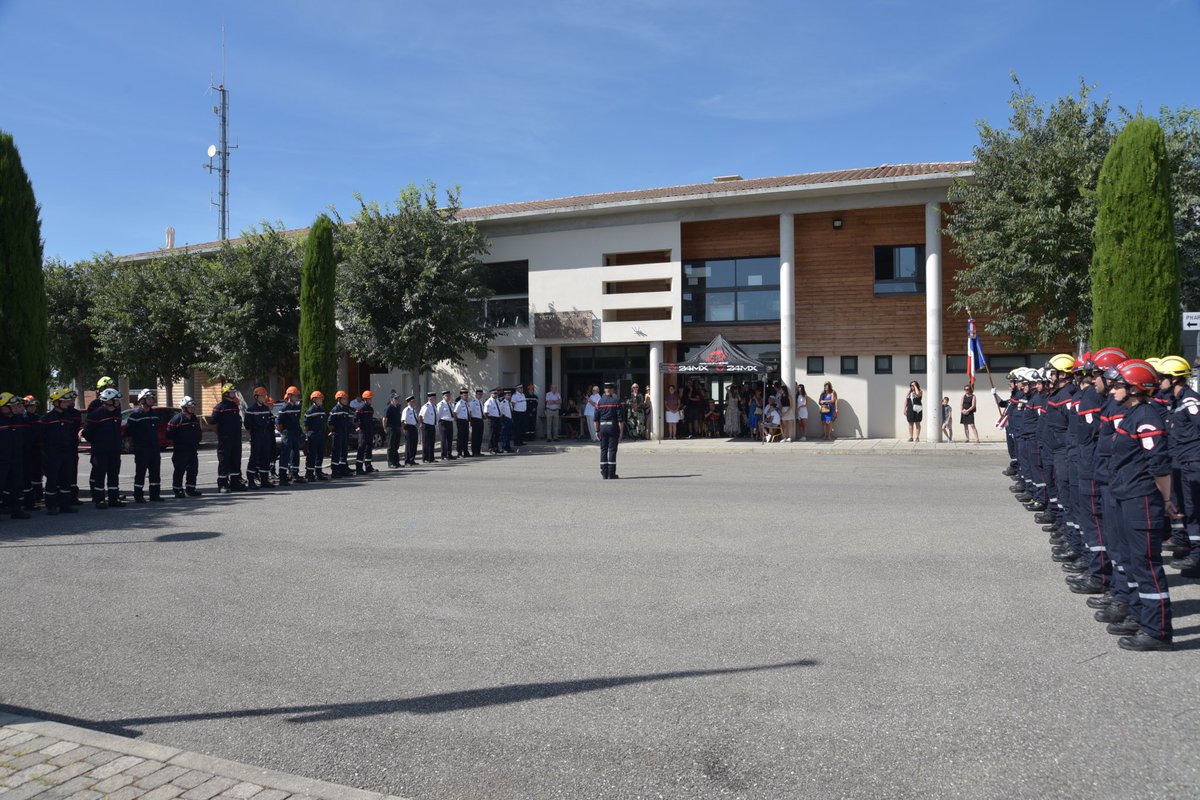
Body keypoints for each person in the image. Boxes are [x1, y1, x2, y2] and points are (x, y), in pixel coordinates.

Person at [1105, 359, 1175, 651]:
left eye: (1118, 385)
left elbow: (1158, 465)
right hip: (1125, 496)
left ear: (1135, 387)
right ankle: (1138, 615)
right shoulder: (1132, 413)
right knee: (1133, 562)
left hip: (1141, 499)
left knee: (1147, 565)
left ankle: (1157, 632)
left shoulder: (1147, 417)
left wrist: (1169, 501)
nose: (1112, 389)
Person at [39, 389, 79, 515]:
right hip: (52, 455)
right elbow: (40, 438)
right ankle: (51, 506)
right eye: (65, 401)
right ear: (57, 403)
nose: (68, 403)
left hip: (67, 454)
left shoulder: (69, 418)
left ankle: (65, 505)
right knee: (52, 480)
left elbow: (72, 436)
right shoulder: (47, 419)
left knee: (66, 480)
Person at [84, 387, 124, 507]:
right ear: (108, 400)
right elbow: (87, 433)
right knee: (100, 475)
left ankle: (114, 499)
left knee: (113, 475)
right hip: (100, 451)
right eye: (116, 400)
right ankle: (99, 500)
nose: (118, 402)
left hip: (114, 450)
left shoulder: (116, 414)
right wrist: (98, 443)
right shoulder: (97, 414)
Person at [127, 388, 164, 502]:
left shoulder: (155, 415)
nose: (152, 400)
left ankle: (155, 495)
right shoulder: (135, 415)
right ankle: (138, 495)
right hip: (141, 449)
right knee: (140, 472)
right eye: (149, 398)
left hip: (154, 449)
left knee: (155, 472)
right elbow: (129, 433)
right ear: (142, 400)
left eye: (152, 398)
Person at [166, 396, 203, 498]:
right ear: (184, 408)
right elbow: (169, 433)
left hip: (192, 450)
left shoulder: (194, 418)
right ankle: (178, 490)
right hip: (180, 451)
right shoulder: (177, 419)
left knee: (193, 469)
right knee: (179, 470)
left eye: (193, 407)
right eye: (190, 407)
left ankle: (191, 489)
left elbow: (198, 431)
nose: (192, 409)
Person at [0, 393, 30, 518]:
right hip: (1, 459)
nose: (16, 407)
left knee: (17, 484)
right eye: (13, 405)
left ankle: (17, 509)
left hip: (16, 458)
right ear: (4, 407)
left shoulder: (17, 419)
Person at [213, 383, 246, 492]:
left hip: (236, 439)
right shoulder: (219, 407)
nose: (234, 394)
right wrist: (222, 435)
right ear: (226, 393)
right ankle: (222, 484)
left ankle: (235, 483)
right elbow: (213, 425)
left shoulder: (235, 406)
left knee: (236, 460)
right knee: (224, 462)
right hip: (225, 439)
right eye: (232, 392)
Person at [244, 387, 275, 488]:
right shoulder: (251, 410)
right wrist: (254, 434)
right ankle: (251, 481)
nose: (264, 398)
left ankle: (264, 480)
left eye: (265, 396)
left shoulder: (266, 409)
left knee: (265, 458)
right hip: (256, 436)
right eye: (262, 396)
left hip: (265, 436)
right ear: (256, 397)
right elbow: (247, 426)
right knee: (254, 458)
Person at [594, 382, 626, 479]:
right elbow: (621, 419)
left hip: (603, 427)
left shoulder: (599, 402)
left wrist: (597, 431)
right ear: (612, 390)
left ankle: (604, 472)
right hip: (613, 428)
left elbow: (595, 419)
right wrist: (621, 433)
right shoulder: (616, 401)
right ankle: (611, 473)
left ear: (604, 390)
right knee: (612, 450)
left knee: (603, 450)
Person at [277, 386, 304, 485]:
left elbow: (297, 422)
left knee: (295, 454)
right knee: (285, 455)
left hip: (295, 433)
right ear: (289, 396)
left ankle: (294, 474)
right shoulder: (284, 408)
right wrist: (283, 432)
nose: (296, 397)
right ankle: (282, 477)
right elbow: (279, 423)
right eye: (295, 395)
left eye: (297, 395)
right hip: (287, 434)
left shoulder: (296, 407)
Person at [304, 390, 329, 481]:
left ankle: (318, 473)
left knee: (320, 454)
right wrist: (307, 436)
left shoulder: (322, 410)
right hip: (313, 434)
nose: (322, 400)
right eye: (320, 398)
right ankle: (310, 474)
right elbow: (306, 425)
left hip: (321, 434)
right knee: (312, 454)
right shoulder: (310, 411)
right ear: (314, 399)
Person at [328, 390, 353, 477]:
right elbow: (330, 423)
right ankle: (334, 471)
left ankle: (342, 469)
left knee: (344, 452)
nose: (346, 400)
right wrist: (334, 432)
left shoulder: (345, 409)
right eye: (344, 398)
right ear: (339, 399)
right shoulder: (335, 410)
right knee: (336, 452)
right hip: (337, 434)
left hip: (344, 433)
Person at [355, 390, 376, 473]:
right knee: (361, 448)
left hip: (369, 431)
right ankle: (359, 468)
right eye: (370, 398)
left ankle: (368, 466)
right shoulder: (360, 408)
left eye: (371, 398)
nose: (371, 400)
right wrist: (358, 427)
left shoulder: (371, 409)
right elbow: (355, 419)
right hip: (363, 431)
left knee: (369, 448)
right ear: (365, 399)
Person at [384, 393, 404, 468]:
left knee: (396, 446)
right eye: (395, 398)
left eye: (397, 398)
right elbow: (385, 419)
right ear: (391, 399)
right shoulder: (389, 407)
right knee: (390, 446)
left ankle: (396, 462)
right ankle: (390, 463)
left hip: (397, 428)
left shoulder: (398, 407)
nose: (397, 400)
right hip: (391, 428)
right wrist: (385, 428)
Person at [436, 390, 456, 461]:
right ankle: (443, 455)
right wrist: (438, 423)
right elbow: (438, 414)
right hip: (443, 422)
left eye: (449, 396)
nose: (449, 397)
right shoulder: (440, 404)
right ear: (443, 397)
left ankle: (449, 454)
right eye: (447, 396)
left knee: (450, 439)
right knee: (444, 439)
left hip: (449, 422)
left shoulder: (450, 404)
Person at [419, 392, 437, 463]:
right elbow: (420, 416)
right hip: (426, 426)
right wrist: (421, 423)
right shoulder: (426, 406)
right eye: (434, 398)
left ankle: (431, 458)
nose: (435, 399)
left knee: (432, 442)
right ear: (430, 398)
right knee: (426, 442)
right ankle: (425, 458)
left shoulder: (434, 406)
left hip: (432, 426)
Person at [402, 395, 420, 465]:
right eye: (412, 401)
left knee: (414, 444)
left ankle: (412, 459)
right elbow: (403, 420)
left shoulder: (413, 410)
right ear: (409, 402)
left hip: (413, 427)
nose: (414, 402)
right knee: (409, 445)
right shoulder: (406, 410)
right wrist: (404, 429)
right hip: (408, 428)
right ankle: (407, 461)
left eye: (414, 401)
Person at [453, 388, 471, 458]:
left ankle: (465, 451)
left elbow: (468, 412)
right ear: (461, 396)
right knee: (460, 437)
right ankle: (459, 452)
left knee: (466, 437)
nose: (466, 396)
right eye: (464, 395)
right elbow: (455, 412)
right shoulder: (459, 403)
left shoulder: (467, 403)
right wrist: (456, 420)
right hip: (460, 421)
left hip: (466, 421)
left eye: (466, 395)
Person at [484, 388, 502, 454]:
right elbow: (486, 412)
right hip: (492, 419)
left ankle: (496, 448)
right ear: (491, 394)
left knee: (496, 434)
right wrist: (489, 419)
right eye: (494, 393)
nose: (496, 394)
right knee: (492, 434)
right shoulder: (488, 402)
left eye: (497, 393)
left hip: (497, 418)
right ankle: (491, 448)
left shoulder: (497, 400)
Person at [469, 388, 486, 456]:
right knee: (475, 437)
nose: (480, 395)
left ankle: (478, 451)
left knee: (480, 436)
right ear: (476, 395)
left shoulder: (481, 402)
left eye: (481, 394)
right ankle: (474, 452)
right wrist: (470, 421)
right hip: (475, 420)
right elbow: (470, 412)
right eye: (479, 394)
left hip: (480, 420)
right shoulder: (472, 402)